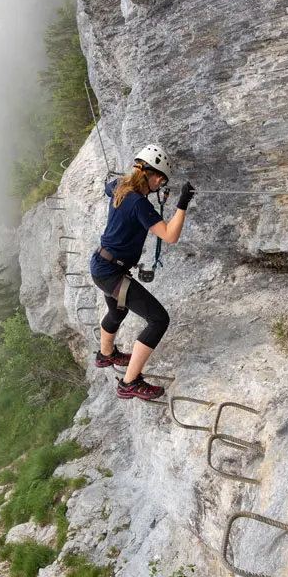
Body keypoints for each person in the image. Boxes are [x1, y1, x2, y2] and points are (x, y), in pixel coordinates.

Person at [90, 143, 194, 400]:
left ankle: (106, 355)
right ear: (155, 177)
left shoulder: (118, 187)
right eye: (161, 181)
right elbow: (170, 236)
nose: (160, 185)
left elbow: (108, 187)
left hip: (102, 266)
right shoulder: (139, 204)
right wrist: (182, 203)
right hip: (112, 273)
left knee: (118, 309)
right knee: (158, 319)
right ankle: (130, 382)